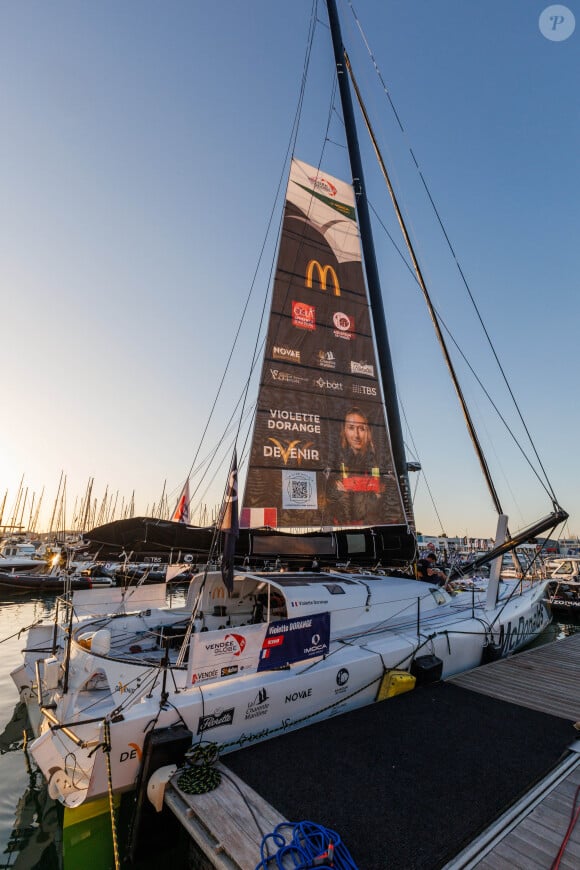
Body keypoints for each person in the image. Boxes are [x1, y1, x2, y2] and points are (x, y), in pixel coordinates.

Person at [327, 407, 386, 525]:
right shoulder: (335, 459)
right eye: (351, 428)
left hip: (372, 527)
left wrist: (379, 494)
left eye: (362, 429)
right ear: (344, 431)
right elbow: (329, 495)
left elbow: (388, 501)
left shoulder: (379, 460)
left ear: (368, 432)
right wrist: (339, 491)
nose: (356, 435)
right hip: (342, 527)